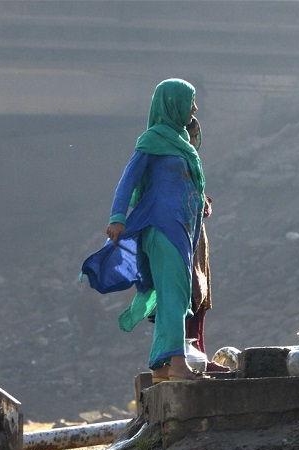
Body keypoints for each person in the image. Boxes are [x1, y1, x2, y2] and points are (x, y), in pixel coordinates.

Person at [82, 78, 205, 382]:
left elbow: (185, 185)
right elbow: (129, 179)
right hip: (162, 227)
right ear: (173, 103)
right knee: (175, 294)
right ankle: (177, 363)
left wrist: (202, 203)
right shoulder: (153, 140)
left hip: (180, 228)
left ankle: (161, 366)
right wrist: (117, 216)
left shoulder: (180, 141)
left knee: (170, 295)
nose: (195, 107)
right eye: (190, 101)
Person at [183, 117, 228, 372]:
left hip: (197, 238)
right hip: (181, 237)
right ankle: (185, 359)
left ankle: (199, 356)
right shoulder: (171, 158)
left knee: (199, 297)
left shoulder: (190, 160)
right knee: (186, 297)